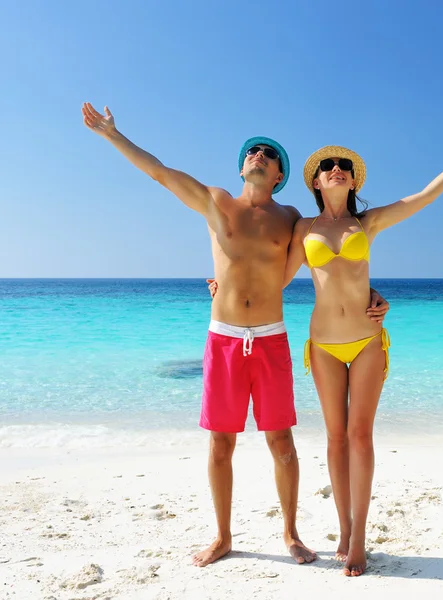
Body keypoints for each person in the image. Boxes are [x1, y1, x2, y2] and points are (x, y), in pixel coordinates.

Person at [81, 102, 390, 568]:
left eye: (267, 153)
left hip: (270, 337)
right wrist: (112, 135)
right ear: (243, 165)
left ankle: (290, 533)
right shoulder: (216, 201)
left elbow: (332, 259)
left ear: (281, 172)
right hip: (224, 336)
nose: (258, 155)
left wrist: (376, 294)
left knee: (282, 444)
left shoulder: (290, 219)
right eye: (252, 152)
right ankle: (223, 536)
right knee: (220, 443)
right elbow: (160, 174)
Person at [279, 129, 443, 577]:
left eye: (346, 168)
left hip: (368, 339)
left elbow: (422, 199)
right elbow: (274, 278)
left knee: (360, 436)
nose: (338, 170)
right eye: (329, 167)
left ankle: (359, 538)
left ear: (353, 182)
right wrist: (225, 284)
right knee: (335, 438)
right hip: (324, 345)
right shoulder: (303, 228)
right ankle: (342, 527)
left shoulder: (366, 223)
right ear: (315, 182)